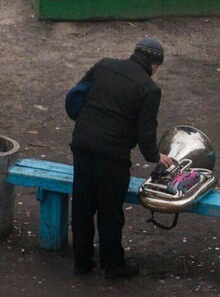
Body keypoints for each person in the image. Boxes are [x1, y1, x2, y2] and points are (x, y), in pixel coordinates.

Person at [69, 38, 173, 279]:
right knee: (110, 210)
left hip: (82, 143)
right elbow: (146, 131)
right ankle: (113, 264)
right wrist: (156, 157)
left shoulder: (104, 65)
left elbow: (77, 95)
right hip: (112, 155)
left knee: (82, 205)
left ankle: (81, 263)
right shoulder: (149, 89)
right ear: (155, 64)